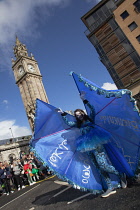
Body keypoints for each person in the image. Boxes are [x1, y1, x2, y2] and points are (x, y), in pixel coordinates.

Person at [58, 92, 127, 198]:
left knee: (103, 164)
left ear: (83, 113)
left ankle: (120, 174)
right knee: (98, 168)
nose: (79, 116)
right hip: (86, 146)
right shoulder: (78, 124)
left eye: (80, 114)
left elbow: (92, 110)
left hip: (97, 143)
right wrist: (63, 114)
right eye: (76, 115)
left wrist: (84, 100)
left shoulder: (90, 119)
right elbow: (69, 123)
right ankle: (110, 187)